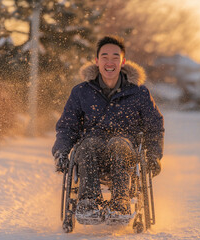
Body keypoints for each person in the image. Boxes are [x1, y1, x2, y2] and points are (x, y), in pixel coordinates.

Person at [52, 35, 164, 225]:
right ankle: (89, 202)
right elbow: (67, 126)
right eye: (104, 57)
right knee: (88, 145)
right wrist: (61, 152)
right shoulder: (81, 92)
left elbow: (154, 126)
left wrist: (154, 155)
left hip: (125, 148)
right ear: (96, 61)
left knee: (119, 144)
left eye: (115, 57)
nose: (109, 62)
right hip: (91, 147)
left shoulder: (138, 92)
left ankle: (121, 203)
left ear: (123, 62)